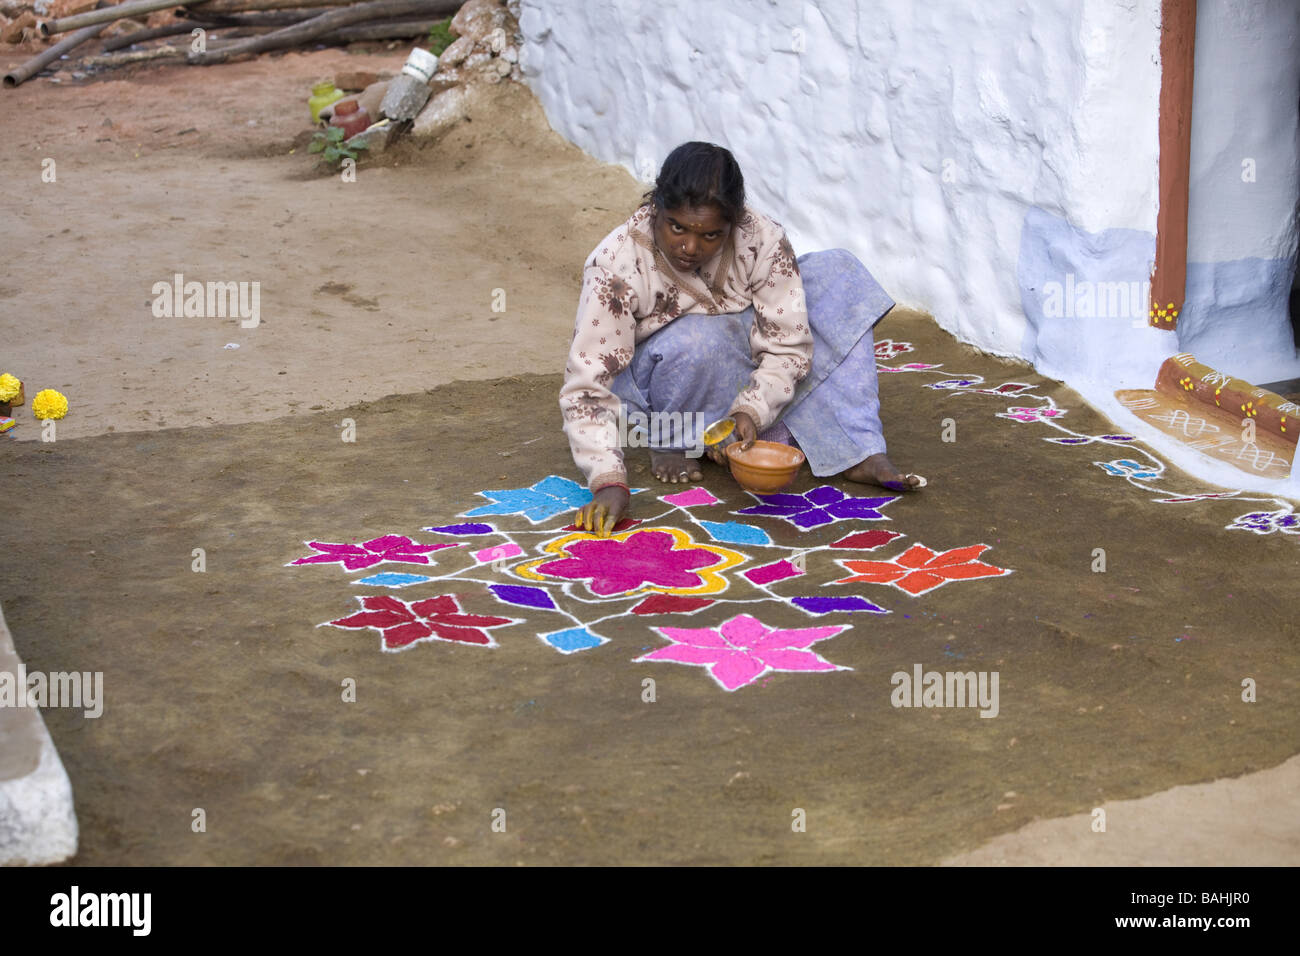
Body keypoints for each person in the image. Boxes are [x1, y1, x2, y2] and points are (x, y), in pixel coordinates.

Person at [561, 142, 921, 536]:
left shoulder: (761, 239)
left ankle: (854, 447)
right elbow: (586, 387)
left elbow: (788, 343)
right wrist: (608, 480)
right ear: (655, 210)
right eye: (676, 227)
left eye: (711, 235)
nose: (690, 247)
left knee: (840, 274)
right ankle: (674, 439)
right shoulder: (616, 264)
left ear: (734, 223)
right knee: (700, 338)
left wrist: (751, 409)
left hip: (737, 362)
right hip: (658, 389)